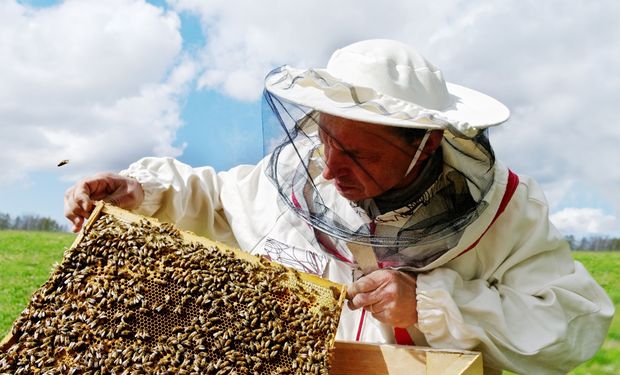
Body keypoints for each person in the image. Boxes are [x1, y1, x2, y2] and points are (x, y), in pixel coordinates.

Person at [64, 39, 613, 374]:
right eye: (326, 140)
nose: (328, 168)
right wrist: (143, 193)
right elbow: (221, 200)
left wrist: (434, 303)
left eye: (356, 153)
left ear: (423, 146)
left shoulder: (510, 212)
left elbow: (572, 326)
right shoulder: (299, 176)